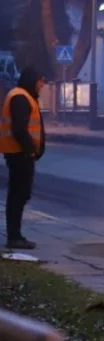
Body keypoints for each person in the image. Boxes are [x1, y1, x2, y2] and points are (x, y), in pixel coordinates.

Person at [1, 67, 47, 250]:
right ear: (32, 80)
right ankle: (14, 236)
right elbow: (19, 129)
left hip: (20, 154)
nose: (43, 84)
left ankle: (16, 235)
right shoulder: (20, 97)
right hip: (19, 154)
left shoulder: (25, 96)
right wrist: (30, 150)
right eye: (41, 80)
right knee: (18, 195)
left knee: (20, 195)